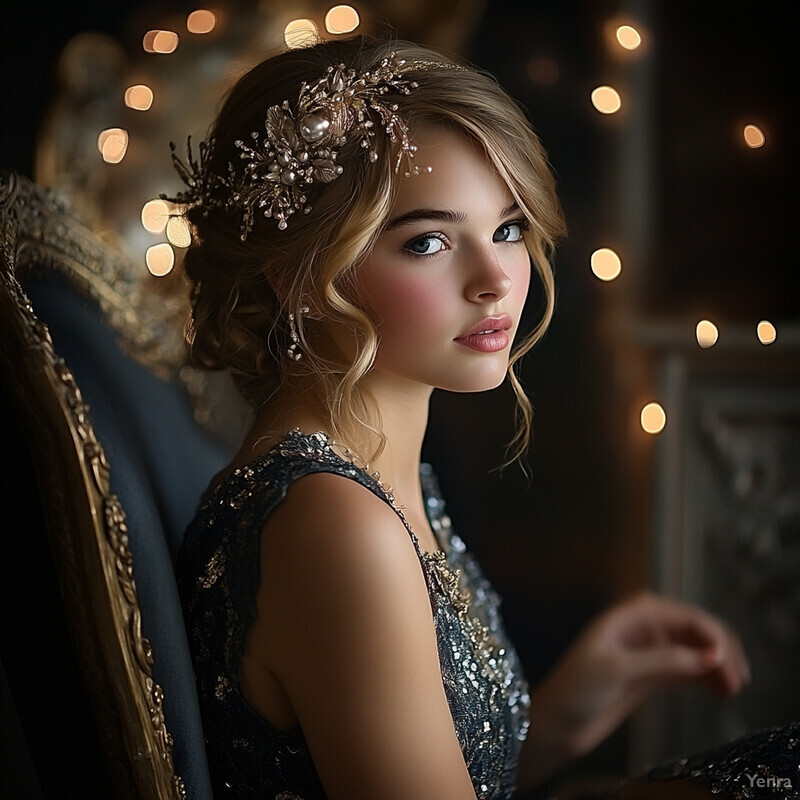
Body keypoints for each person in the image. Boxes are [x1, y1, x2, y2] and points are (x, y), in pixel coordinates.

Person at [174, 35, 756, 800]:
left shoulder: (372, 475)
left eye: (509, 228)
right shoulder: (335, 522)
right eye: (429, 242)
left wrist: (555, 719)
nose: (495, 280)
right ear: (301, 276)